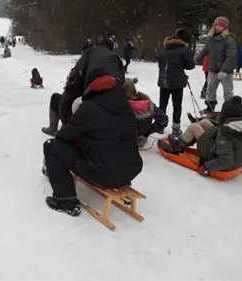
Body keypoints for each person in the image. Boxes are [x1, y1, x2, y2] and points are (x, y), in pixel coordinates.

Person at [42, 69, 142, 216]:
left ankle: (66, 199)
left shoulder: (89, 108)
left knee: (51, 146)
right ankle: (122, 184)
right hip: (131, 170)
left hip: (105, 173)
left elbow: (64, 135)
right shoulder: (125, 107)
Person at [160, 96, 242, 174]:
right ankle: (186, 140)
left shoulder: (226, 131)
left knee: (194, 127)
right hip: (236, 161)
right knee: (205, 122)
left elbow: (225, 161)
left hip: (218, 161)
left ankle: (177, 147)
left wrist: (206, 167)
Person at [59, 35, 124, 125]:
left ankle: (66, 127)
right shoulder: (115, 57)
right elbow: (121, 77)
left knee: (67, 99)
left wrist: (70, 84)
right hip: (112, 91)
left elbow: (78, 69)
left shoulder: (90, 51)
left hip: (91, 88)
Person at [157, 29, 195, 136]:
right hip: (177, 82)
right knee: (177, 105)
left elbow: (160, 62)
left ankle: (160, 125)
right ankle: (176, 127)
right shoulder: (183, 49)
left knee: (162, 104)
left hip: (163, 80)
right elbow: (190, 65)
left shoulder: (163, 47)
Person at [197, 16, 237, 113]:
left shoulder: (229, 40)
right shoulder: (211, 39)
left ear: (225, 28)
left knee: (228, 93)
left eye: (220, 26)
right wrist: (196, 58)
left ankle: (229, 111)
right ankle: (210, 109)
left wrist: (224, 70)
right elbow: (205, 50)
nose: (217, 27)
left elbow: (230, 57)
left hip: (226, 72)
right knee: (210, 91)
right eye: (216, 25)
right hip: (213, 70)